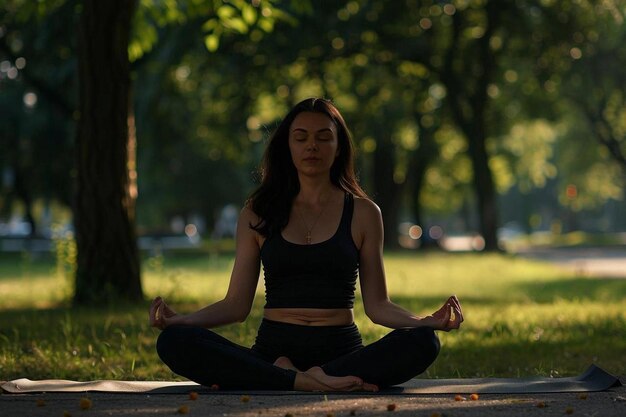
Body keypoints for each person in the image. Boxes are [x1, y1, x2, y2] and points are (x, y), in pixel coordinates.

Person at [149, 97, 464, 392]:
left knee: (424, 342)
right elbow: (236, 306)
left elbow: (378, 306)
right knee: (174, 341)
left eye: (323, 137)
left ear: (339, 146)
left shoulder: (364, 212)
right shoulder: (258, 211)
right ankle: (299, 379)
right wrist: (182, 321)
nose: (312, 145)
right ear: (287, 146)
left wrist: (424, 322)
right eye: (300, 137)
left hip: (341, 351)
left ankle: (288, 379)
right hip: (274, 348)